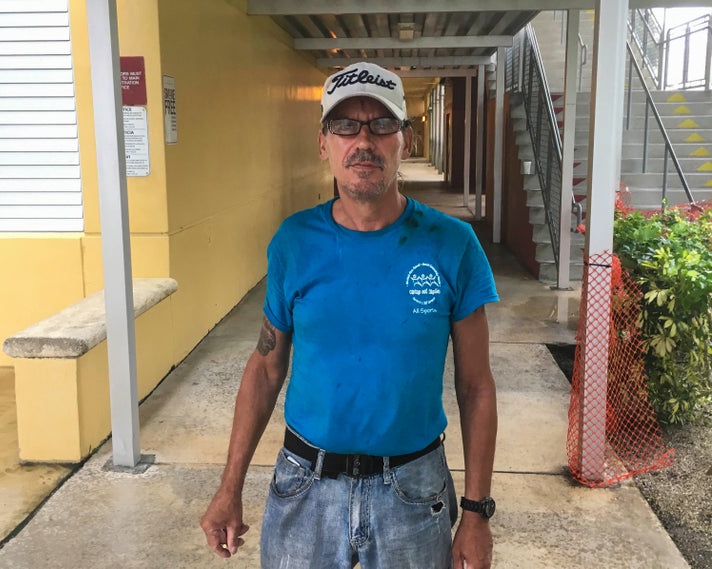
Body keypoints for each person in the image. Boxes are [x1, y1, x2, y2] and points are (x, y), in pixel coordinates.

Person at [200, 61, 499, 569]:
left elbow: (476, 387)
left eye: (381, 124)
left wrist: (475, 514)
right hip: (304, 485)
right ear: (324, 143)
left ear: (404, 139)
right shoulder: (294, 243)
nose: (364, 140)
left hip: (413, 491)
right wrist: (229, 488)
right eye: (345, 125)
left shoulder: (453, 245)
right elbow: (266, 367)